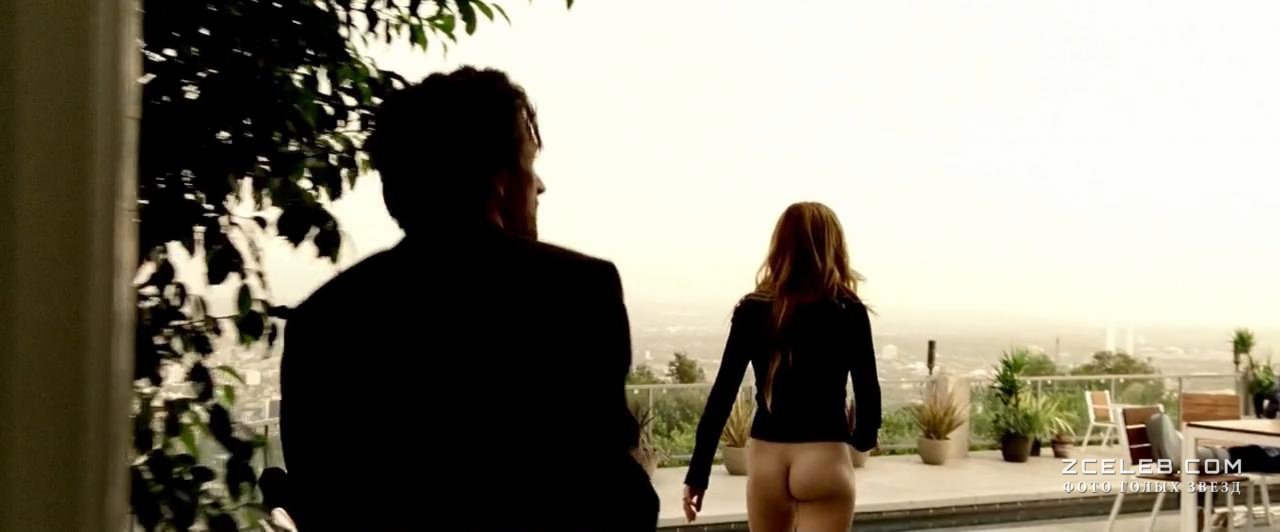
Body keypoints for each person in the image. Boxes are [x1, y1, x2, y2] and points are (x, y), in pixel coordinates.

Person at [279, 67, 658, 531]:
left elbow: (321, 502)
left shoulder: (322, 321)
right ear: (499, 181)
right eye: (529, 163)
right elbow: (613, 496)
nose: (539, 186)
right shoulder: (576, 291)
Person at [682, 202, 882, 532]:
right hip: (824, 457)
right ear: (833, 246)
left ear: (780, 245)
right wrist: (859, 440)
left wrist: (697, 475)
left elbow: (722, 397)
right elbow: (869, 397)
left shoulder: (751, 309)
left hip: (766, 460)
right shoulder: (848, 310)